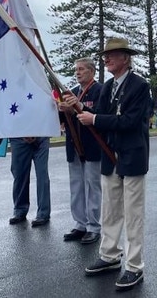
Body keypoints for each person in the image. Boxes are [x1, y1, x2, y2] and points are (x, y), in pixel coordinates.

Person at [77, 38, 150, 292]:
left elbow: (129, 121)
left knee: (133, 214)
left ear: (125, 59)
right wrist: (73, 108)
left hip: (132, 156)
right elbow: (98, 115)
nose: (106, 59)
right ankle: (109, 255)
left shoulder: (140, 86)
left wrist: (95, 118)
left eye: (112, 55)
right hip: (110, 156)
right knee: (110, 210)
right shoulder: (108, 87)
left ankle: (134, 265)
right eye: (105, 55)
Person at [59, 57, 103, 244]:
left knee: (92, 186)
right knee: (76, 186)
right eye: (76, 69)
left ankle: (93, 226)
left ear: (92, 71)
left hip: (92, 145)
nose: (77, 72)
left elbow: (101, 114)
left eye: (82, 69)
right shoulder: (72, 92)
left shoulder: (100, 90)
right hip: (74, 145)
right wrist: (61, 109)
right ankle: (80, 223)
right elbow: (65, 118)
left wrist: (79, 106)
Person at [8, 136, 51, 227]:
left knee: (42, 175)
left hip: (41, 136)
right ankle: (20, 210)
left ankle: (43, 213)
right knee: (19, 175)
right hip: (18, 137)